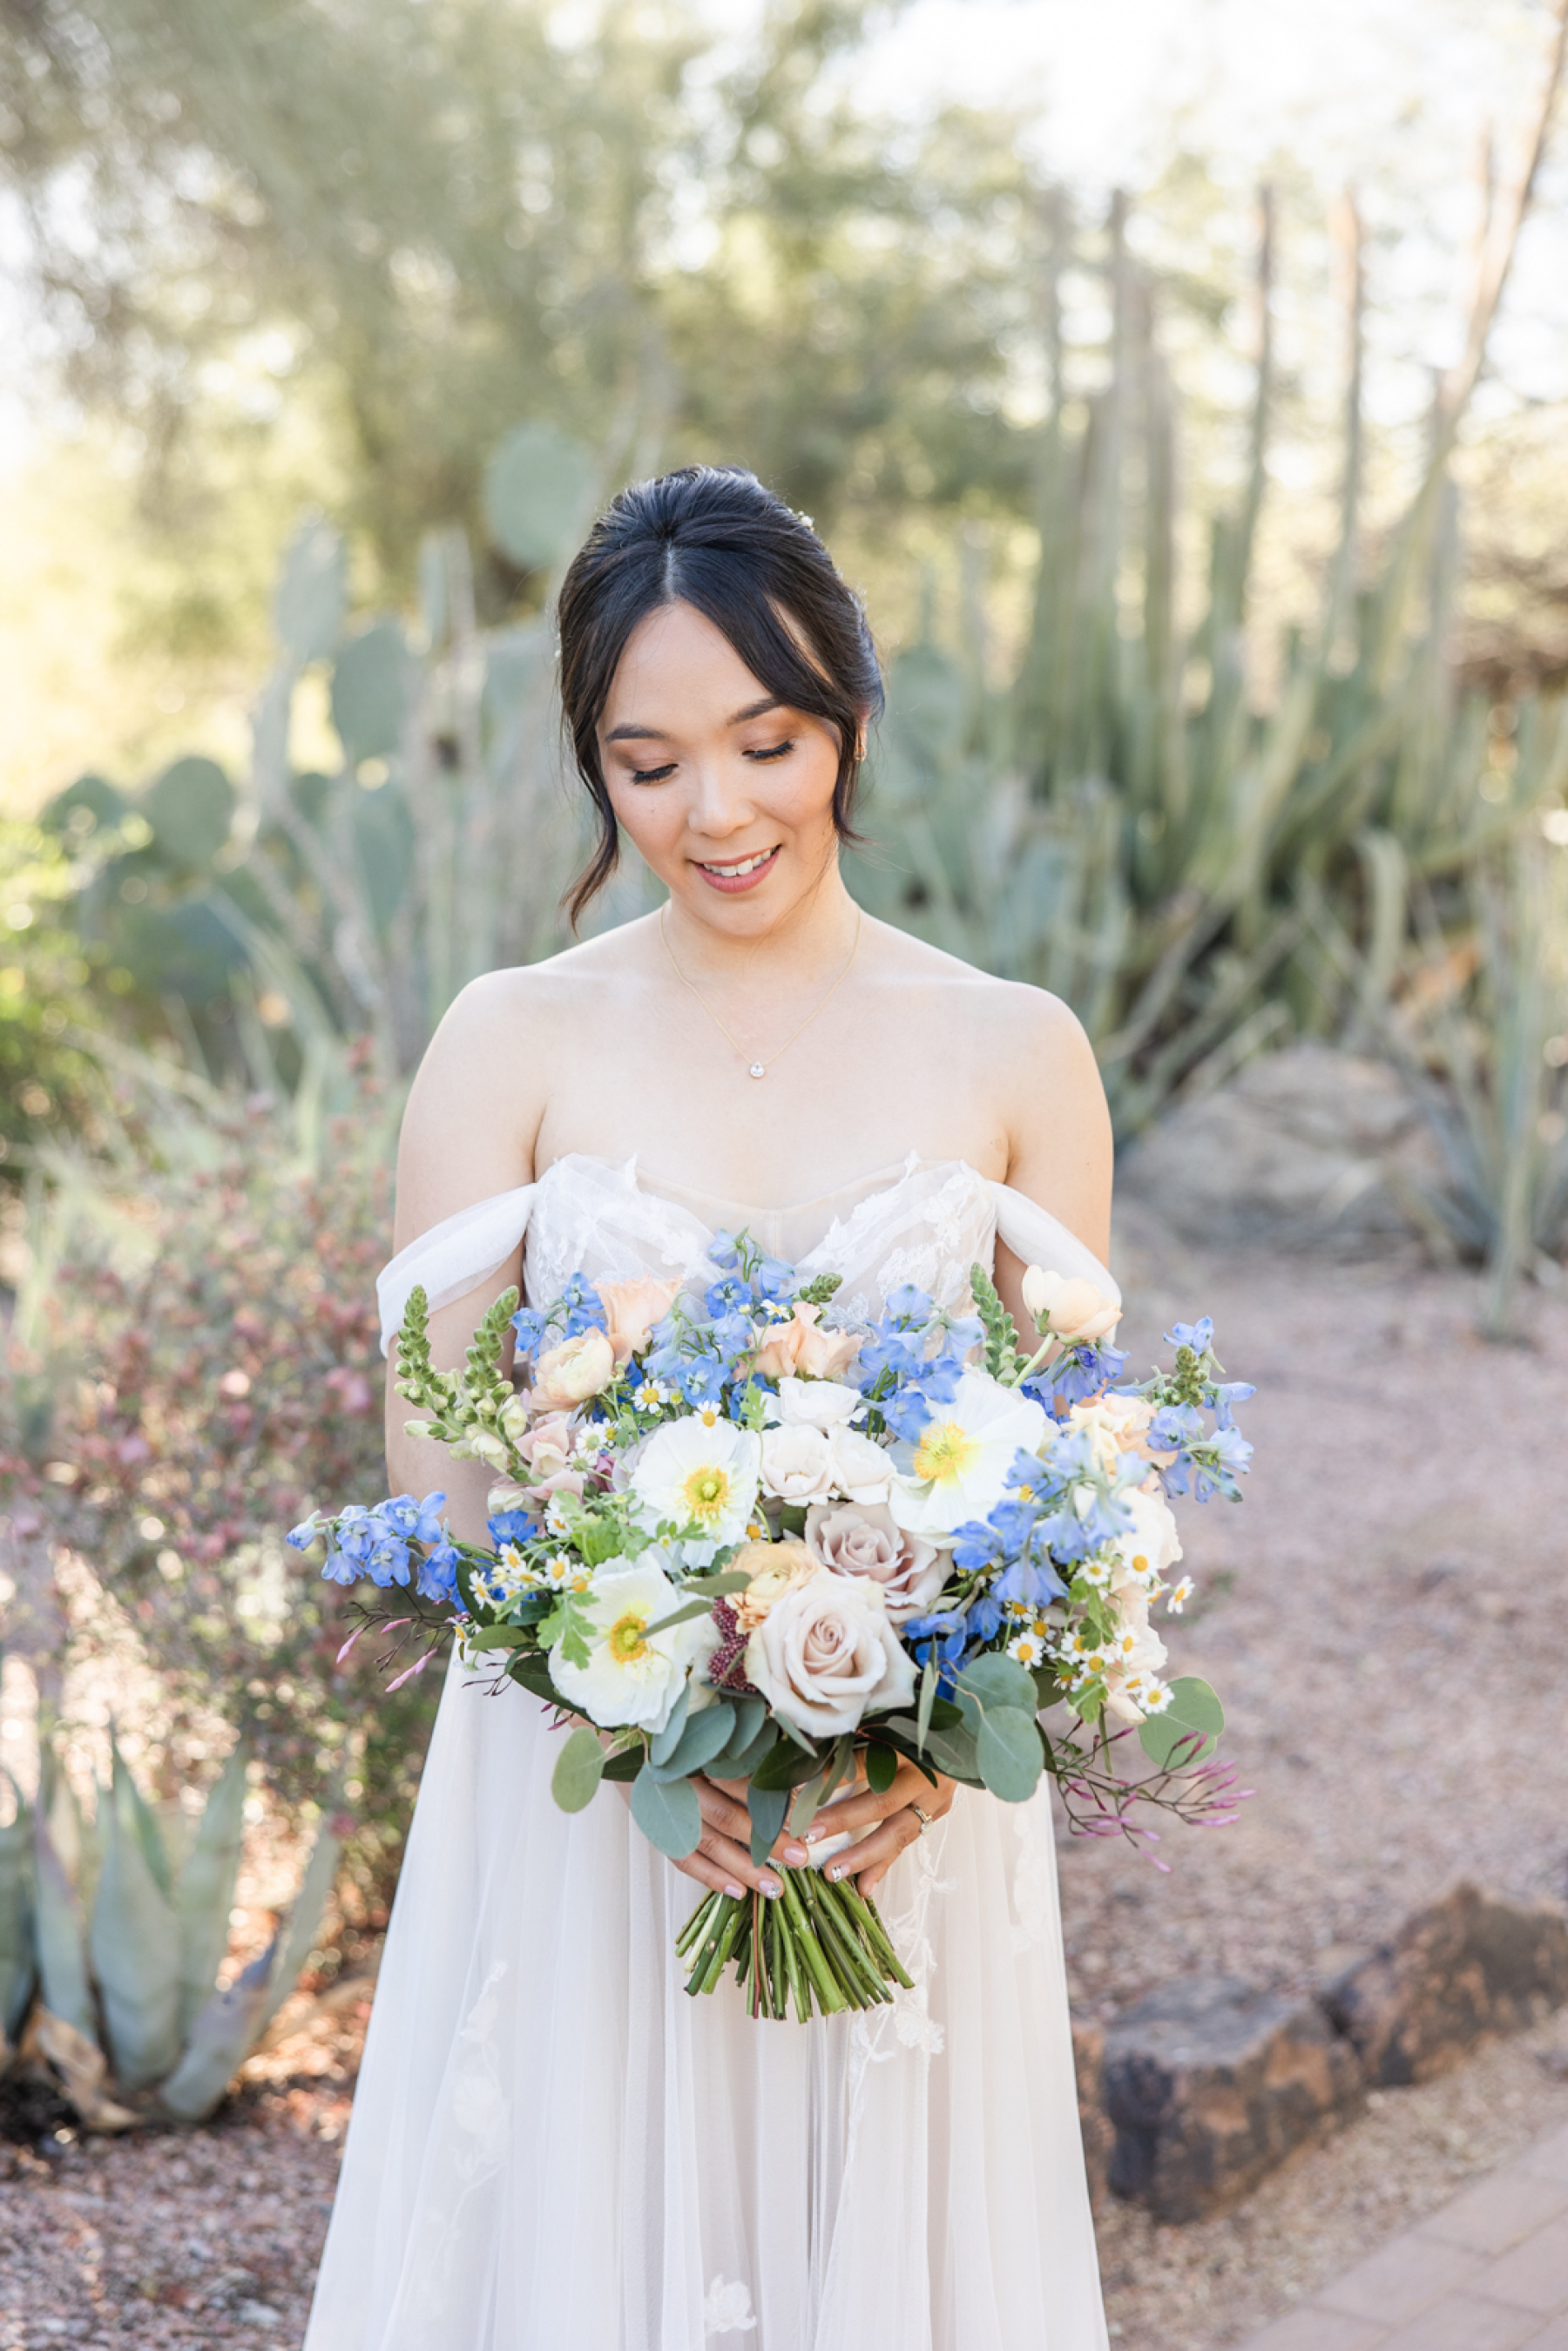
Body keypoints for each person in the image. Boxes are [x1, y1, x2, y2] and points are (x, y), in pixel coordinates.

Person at [303, 465, 1113, 2351]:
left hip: (893, 1832)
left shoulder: (1015, 1046)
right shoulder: (510, 1038)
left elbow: (1082, 1456)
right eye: (649, 760)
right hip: (601, 1806)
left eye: (767, 740)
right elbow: (434, 1452)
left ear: (845, 711)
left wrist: (943, 1741)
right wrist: (634, 1711)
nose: (717, 810)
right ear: (593, 764)